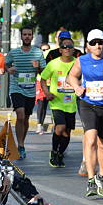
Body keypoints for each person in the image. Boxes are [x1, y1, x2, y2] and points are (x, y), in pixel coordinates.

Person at [67, 29, 103, 197]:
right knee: (90, 140)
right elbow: (71, 76)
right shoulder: (82, 60)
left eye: (100, 42)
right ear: (88, 46)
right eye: (94, 43)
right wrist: (76, 87)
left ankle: (101, 176)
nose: (97, 46)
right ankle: (90, 180)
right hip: (88, 103)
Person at [5, 26, 46, 159]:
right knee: (20, 115)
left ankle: (21, 143)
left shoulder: (38, 53)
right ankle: (20, 144)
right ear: (21, 36)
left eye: (29, 34)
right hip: (16, 88)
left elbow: (44, 72)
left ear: (32, 36)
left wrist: (38, 67)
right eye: (25, 34)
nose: (27, 37)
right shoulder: (14, 52)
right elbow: (5, 64)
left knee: (26, 118)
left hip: (30, 90)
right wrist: (9, 69)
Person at [40, 36, 77, 168]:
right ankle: (54, 151)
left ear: (73, 49)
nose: (67, 49)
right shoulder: (53, 64)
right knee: (60, 127)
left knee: (67, 132)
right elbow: (43, 79)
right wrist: (47, 93)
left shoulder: (78, 63)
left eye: (70, 47)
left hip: (71, 103)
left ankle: (60, 154)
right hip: (57, 102)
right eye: (64, 47)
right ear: (60, 50)